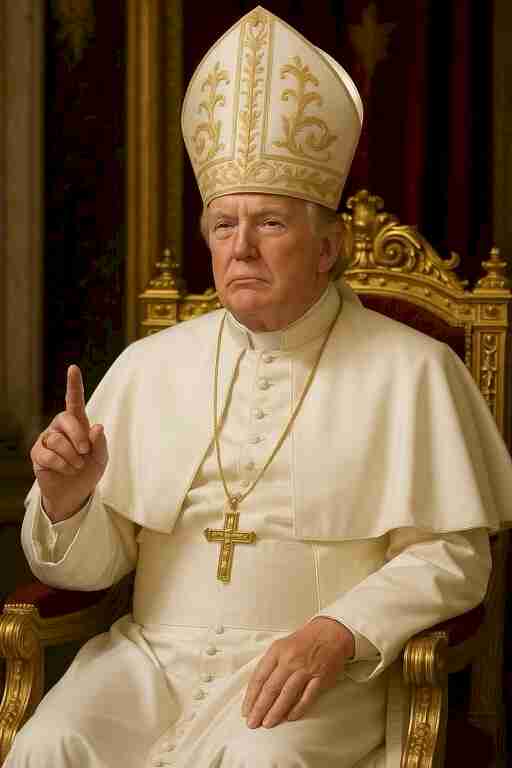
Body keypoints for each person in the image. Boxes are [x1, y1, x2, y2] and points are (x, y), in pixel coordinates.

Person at [6, 6, 512, 768]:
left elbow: (453, 557)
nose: (241, 248)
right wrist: (69, 502)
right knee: (49, 743)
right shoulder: (150, 365)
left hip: (316, 672)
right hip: (150, 660)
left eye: (270, 223)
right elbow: (91, 571)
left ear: (329, 247)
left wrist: (339, 631)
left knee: (263, 761)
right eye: (223, 226)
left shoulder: (414, 370)